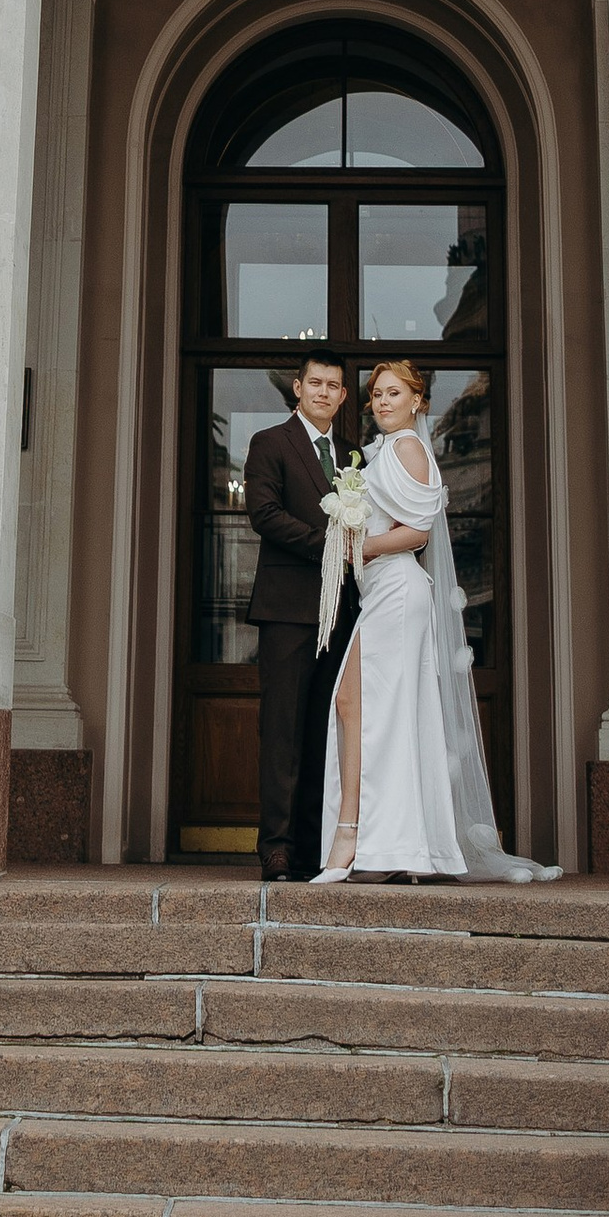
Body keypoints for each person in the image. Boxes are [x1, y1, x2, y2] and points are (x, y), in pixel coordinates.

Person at [312, 351, 556, 884]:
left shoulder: (407, 448)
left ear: (417, 401)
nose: (382, 402)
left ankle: (358, 841)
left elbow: (417, 532)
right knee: (370, 709)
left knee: (363, 706)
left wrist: (361, 547)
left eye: (393, 393)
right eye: (377, 395)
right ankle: (378, 842)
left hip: (398, 589)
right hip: (382, 590)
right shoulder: (383, 451)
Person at [241, 345, 356, 882]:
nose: (323, 393)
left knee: (325, 731)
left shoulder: (354, 455)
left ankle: (314, 847)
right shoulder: (270, 443)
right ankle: (278, 848)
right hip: (287, 609)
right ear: (298, 387)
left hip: (343, 613)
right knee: (283, 731)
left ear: (343, 394)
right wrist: (329, 547)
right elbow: (264, 514)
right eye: (315, 383)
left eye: (333, 386)